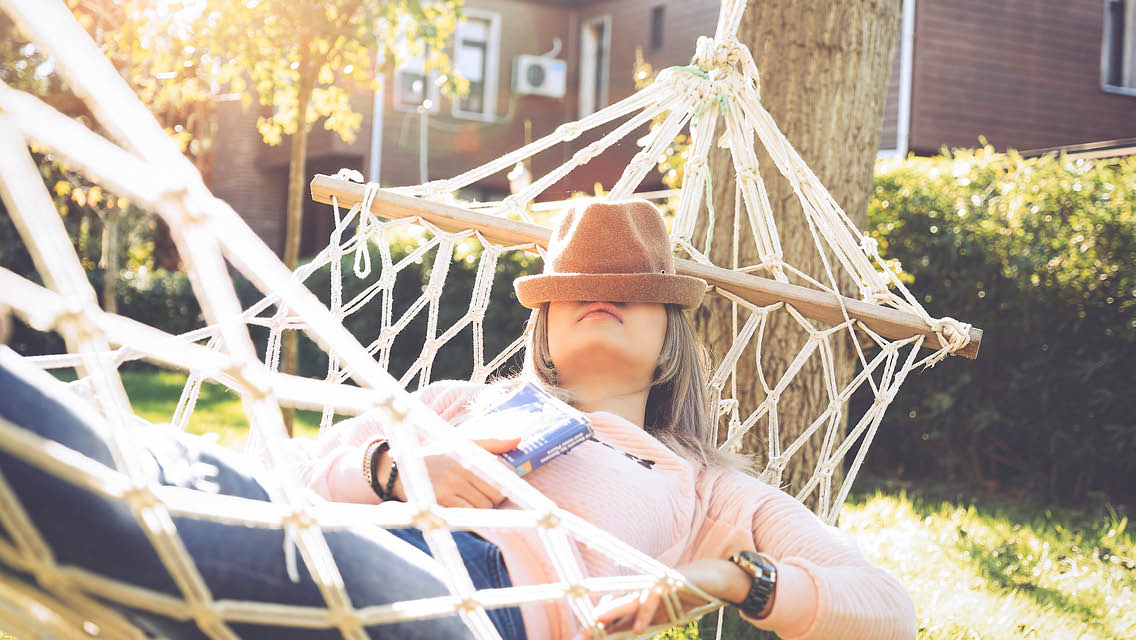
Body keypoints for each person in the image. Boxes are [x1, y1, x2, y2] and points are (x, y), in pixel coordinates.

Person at [299, 199, 919, 640]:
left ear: (670, 330)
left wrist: (737, 581)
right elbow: (284, 473)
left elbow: (889, 612)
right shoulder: (458, 401)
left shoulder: (704, 487)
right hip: (348, 545)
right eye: (578, 285)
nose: (600, 292)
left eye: (628, 284)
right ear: (544, 323)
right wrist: (387, 469)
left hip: (485, 602)